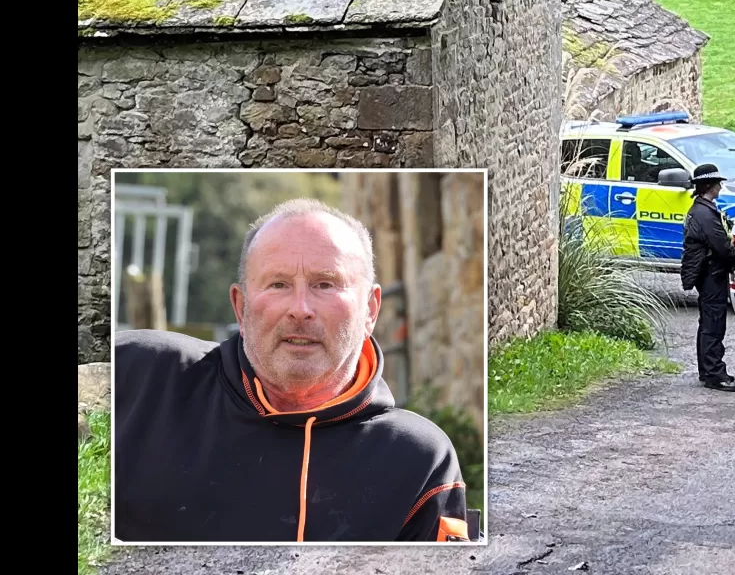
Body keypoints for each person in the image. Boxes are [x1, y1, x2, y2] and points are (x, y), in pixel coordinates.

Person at [113, 198, 471, 543]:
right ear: (240, 307)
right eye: (278, 284)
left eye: (325, 284)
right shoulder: (140, 378)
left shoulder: (418, 459)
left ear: (370, 310)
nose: (301, 309)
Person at [681, 163, 735, 392]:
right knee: (713, 324)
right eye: (717, 183)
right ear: (708, 186)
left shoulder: (702, 209)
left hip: (707, 272)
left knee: (708, 322)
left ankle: (708, 370)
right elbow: (720, 245)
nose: (720, 186)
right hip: (711, 273)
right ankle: (715, 373)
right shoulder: (704, 213)